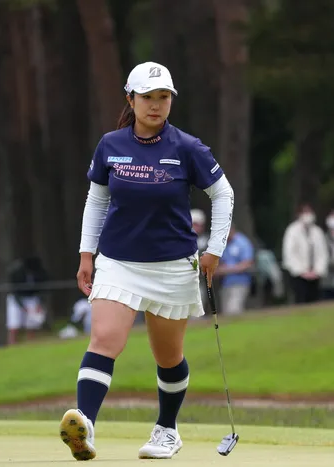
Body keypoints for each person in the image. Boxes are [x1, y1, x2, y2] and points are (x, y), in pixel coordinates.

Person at [59, 61, 234, 461]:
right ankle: (85, 425)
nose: (155, 105)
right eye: (147, 97)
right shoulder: (110, 145)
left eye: (163, 97)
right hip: (118, 262)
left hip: (173, 265)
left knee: (168, 356)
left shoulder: (187, 147)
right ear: (131, 100)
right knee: (105, 339)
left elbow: (223, 194)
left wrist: (214, 250)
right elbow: (96, 200)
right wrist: (86, 254)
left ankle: (167, 429)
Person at [282, 203, 329, 304]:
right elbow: (289, 253)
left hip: (315, 274)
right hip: (298, 275)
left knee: (315, 300)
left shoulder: (317, 231)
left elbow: (322, 252)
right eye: (305, 212)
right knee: (301, 300)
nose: (308, 215)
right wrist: (302, 271)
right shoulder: (292, 231)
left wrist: (317, 270)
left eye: (309, 212)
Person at [5, 257, 48, 345]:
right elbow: (15, 292)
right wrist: (23, 307)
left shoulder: (38, 273)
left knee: (31, 322)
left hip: (31, 298)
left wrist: (38, 303)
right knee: (14, 323)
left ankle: (30, 343)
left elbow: (39, 290)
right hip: (17, 298)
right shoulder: (17, 274)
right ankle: (12, 343)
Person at [213, 226, 254, 315]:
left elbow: (247, 263)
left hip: (240, 282)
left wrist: (226, 270)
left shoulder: (242, 242)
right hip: (225, 283)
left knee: (233, 310)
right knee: (226, 312)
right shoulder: (223, 244)